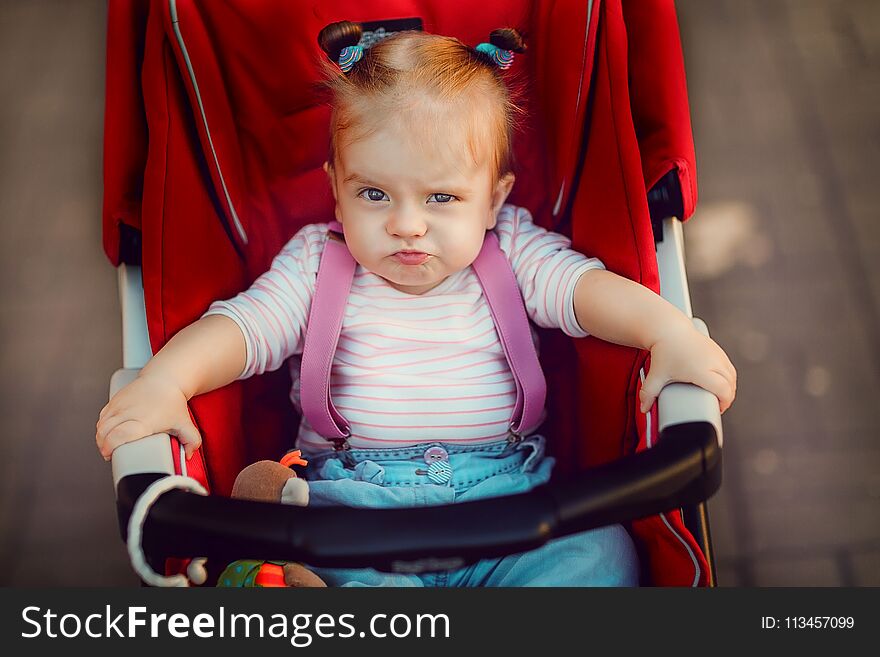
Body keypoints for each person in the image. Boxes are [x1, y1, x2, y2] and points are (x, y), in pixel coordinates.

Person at [96, 24, 736, 586]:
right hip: (350, 517)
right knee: (315, 578)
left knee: (601, 555)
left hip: (508, 505)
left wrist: (666, 331)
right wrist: (164, 381)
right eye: (374, 194)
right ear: (335, 192)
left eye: (441, 199)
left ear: (492, 199)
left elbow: (585, 291)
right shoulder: (318, 263)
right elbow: (239, 331)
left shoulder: (509, 248)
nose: (407, 225)